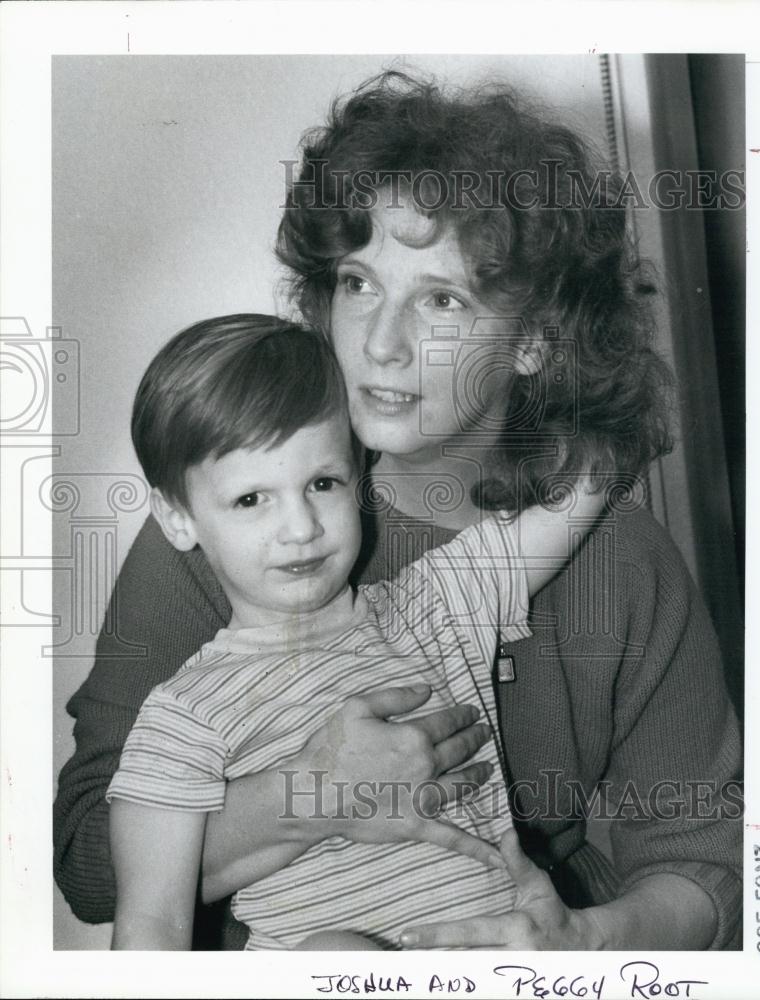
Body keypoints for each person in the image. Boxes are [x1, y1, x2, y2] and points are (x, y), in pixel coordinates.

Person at [54, 71, 742, 951]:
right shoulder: (242, 530)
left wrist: (584, 938)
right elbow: (86, 865)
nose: (380, 343)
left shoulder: (622, 556)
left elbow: (713, 860)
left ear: (534, 339)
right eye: (357, 283)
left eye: (441, 299)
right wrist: (306, 796)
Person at [108, 314, 604, 951]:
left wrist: (566, 333)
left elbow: (590, 473)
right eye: (252, 499)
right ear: (178, 519)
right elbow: (150, 924)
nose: (301, 527)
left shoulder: (435, 605)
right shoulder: (182, 715)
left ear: (359, 475)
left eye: (322, 483)